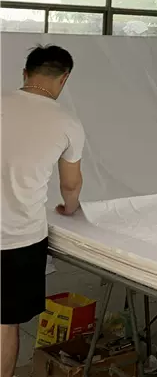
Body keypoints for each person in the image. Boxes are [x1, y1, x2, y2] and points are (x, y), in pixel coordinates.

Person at [2, 46, 84, 377]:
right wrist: (70, 208)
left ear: (25, 73)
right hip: (18, 240)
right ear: (64, 79)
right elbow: (70, 185)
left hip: (18, 239)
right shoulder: (67, 123)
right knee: (5, 323)